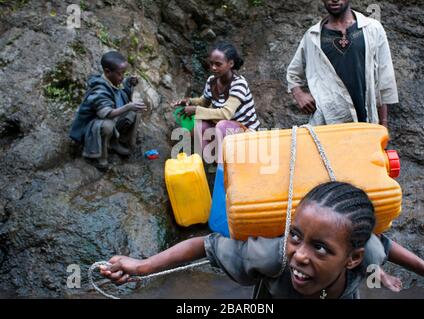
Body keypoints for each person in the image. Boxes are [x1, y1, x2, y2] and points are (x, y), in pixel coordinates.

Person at [100, 182, 390, 299]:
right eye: (295, 236)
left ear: (353, 258)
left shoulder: (370, 255)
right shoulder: (269, 256)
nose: (299, 255)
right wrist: (142, 267)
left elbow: (387, 246)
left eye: (320, 247)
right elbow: (204, 244)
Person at [286, 0, 398, 128]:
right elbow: (293, 72)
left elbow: (384, 78)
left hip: (366, 122)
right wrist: (299, 94)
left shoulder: (372, 29)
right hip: (327, 123)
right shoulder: (312, 36)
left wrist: (383, 124)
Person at [173, 42, 260, 164]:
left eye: (218, 64)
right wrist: (189, 101)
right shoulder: (212, 81)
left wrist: (195, 110)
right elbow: (204, 101)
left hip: (246, 133)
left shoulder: (238, 84)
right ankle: (212, 163)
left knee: (221, 126)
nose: (214, 68)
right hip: (226, 131)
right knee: (200, 125)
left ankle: (227, 164)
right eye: (211, 64)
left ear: (231, 64)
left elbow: (226, 114)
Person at [69, 51, 147, 170]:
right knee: (107, 126)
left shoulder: (113, 80)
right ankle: (100, 157)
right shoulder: (99, 90)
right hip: (92, 129)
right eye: (120, 74)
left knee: (135, 111)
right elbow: (107, 113)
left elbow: (119, 95)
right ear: (107, 72)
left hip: (111, 119)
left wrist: (128, 83)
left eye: (124, 74)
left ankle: (121, 142)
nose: (122, 77)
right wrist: (128, 106)